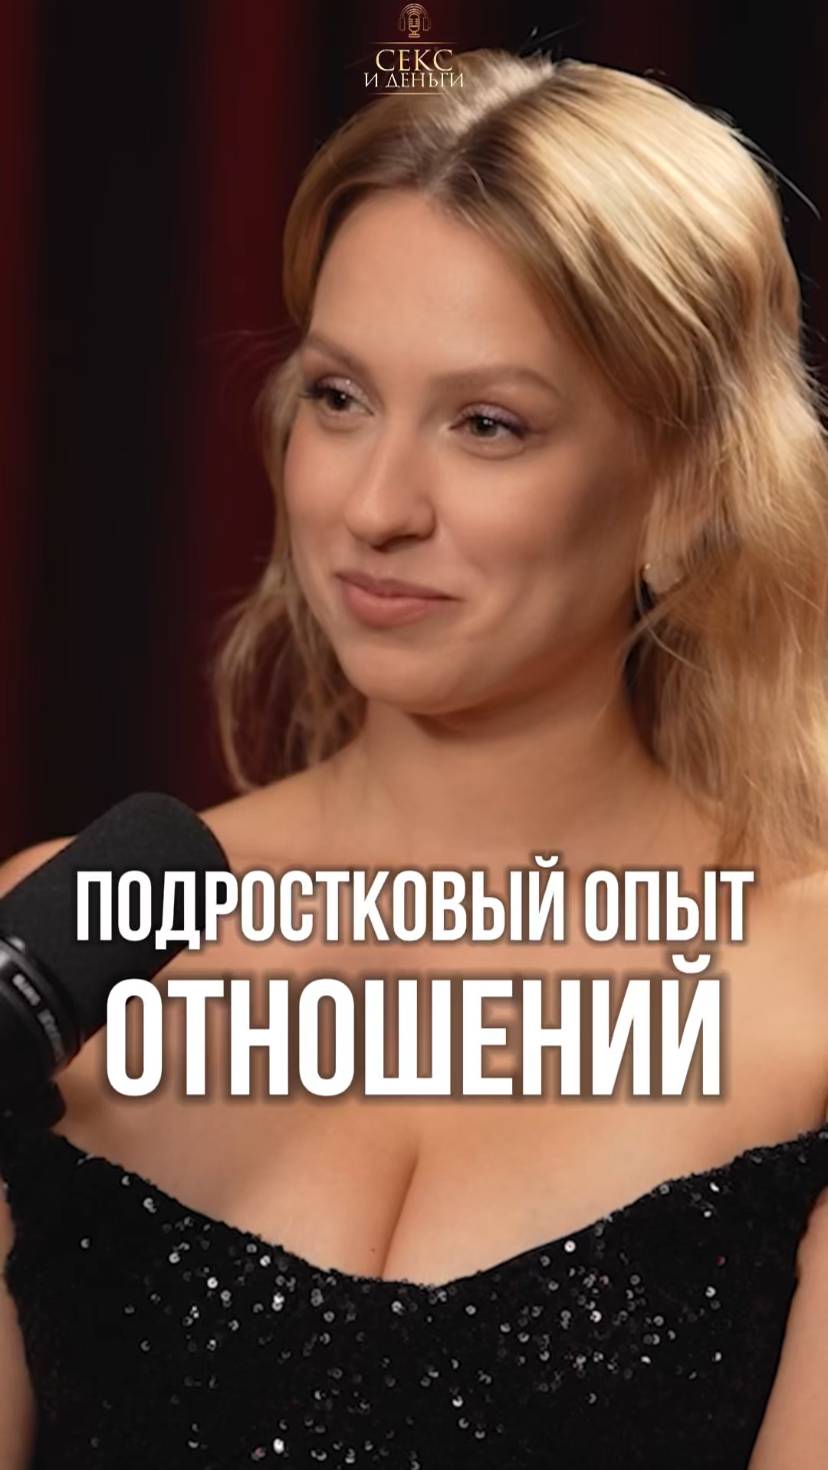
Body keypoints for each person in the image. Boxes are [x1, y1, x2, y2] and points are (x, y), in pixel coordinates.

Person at [2, 45, 828, 1469]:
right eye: (339, 397)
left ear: (690, 485)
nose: (375, 506)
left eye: (488, 424)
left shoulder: (810, 999)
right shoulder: (60, 948)